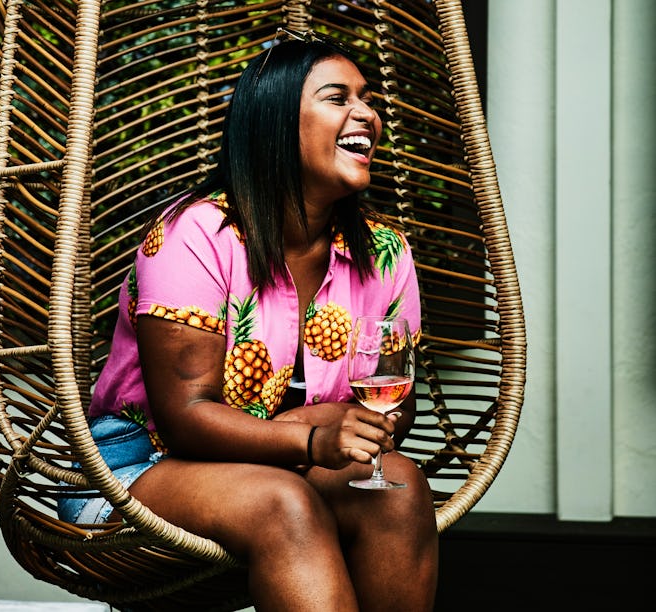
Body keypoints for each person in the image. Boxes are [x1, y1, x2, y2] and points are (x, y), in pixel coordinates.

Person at [59, 29, 438, 611]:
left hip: (290, 465)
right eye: (338, 98)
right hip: (140, 466)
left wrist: (337, 432)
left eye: (368, 98)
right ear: (276, 122)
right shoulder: (195, 235)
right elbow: (184, 418)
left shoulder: (385, 252)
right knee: (282, 502)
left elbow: (395, 405)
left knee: (400, 489)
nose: (366, 113)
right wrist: (310, 434)